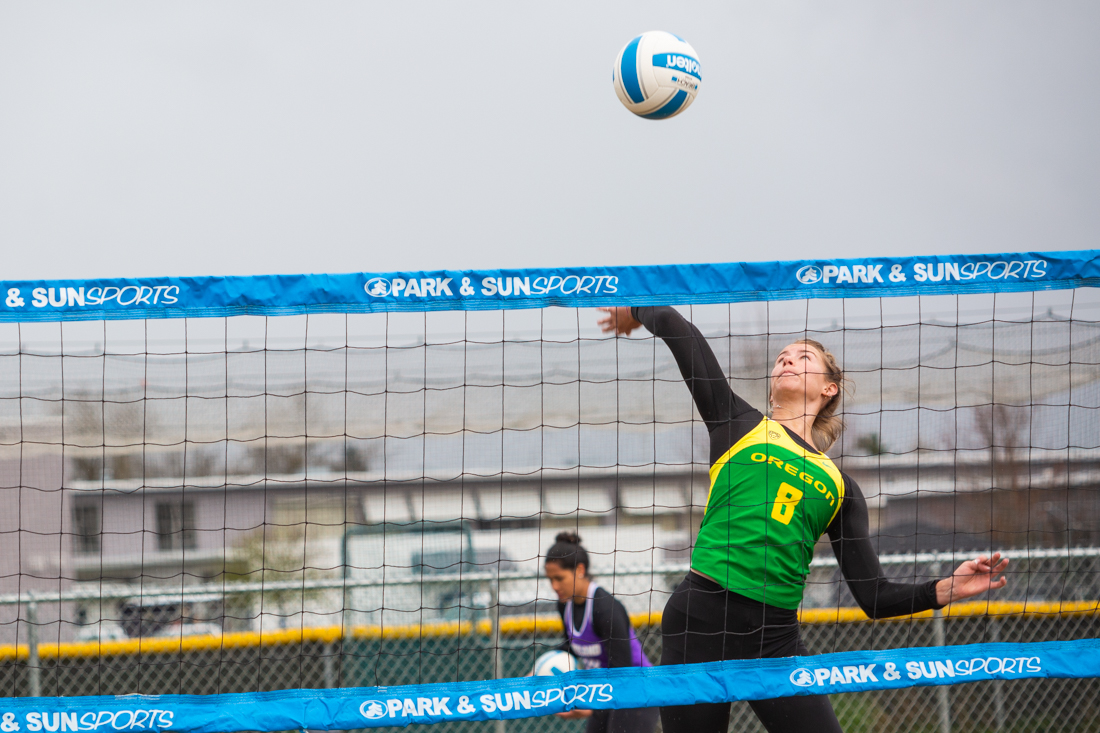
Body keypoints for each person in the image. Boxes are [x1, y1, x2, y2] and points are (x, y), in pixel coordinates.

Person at [597, 306, 1010, 733]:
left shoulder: (841, 488)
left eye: (803, 356)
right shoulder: (737, 423)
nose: (787, 360)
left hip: (773, 638)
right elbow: (676, 327)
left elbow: (873, 597)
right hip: (700, 619)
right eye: (782, 358)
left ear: (829, 388)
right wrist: (636, 312)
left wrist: (946, 588)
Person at [543, 532, 659, 733]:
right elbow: (571, 647)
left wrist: (589, 710)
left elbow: (623, 672)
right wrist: (538, 671)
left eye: (559, 578)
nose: (554, 586)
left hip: (637, 694)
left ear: (580, 569)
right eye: (550, 579)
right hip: (605, 694)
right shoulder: (565, 606)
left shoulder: (605, 609)